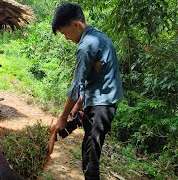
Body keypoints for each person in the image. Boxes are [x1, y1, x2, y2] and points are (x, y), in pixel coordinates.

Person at [52, 3, 124, 179]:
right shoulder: (98, 37)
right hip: (100, 101)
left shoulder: (86, 45)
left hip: (101, 106)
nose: (66, 38)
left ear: (76, 25)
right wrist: (78, 104)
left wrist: (62, 118)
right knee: (88, 151)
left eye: (65, 33)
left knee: (91, 157)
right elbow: (92, 79)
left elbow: (76, 85)